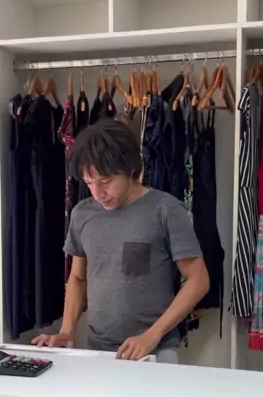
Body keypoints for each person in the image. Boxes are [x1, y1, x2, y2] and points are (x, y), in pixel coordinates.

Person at [32, 120, 209, 362]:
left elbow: (198, 280)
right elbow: (78, 278)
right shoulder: (82, 214)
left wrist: (153, 334)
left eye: (105, 182)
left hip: (154, 351)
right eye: (89, 183)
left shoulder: (166, 210)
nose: (97, 193)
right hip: (98, 350)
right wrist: (67, 330)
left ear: (130, 169)